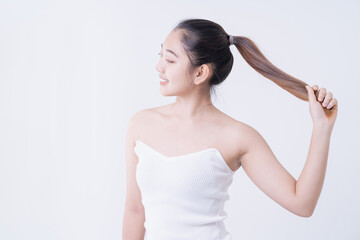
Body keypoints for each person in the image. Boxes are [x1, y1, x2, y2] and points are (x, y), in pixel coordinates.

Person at [122, 18, 338, 240]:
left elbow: (301, 204)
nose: (159, 66)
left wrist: (322, 128)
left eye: (169, 59)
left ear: (200, 73)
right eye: (161, 56)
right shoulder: (140, 124)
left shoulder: (238, 137)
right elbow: (134, 211)